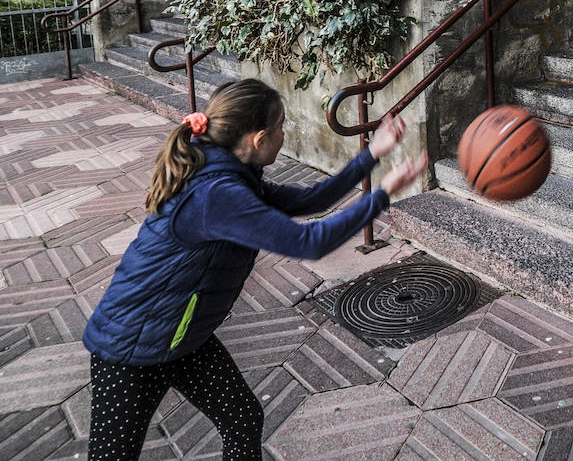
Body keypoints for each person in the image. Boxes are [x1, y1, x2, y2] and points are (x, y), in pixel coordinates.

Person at [81, 78, 427, 461]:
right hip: (130, 343)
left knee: (242, 419)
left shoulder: (230, 172)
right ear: (258, 139)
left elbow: (311, 199)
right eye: (281, 127)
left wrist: (372, 154)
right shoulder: (218, 194)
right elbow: (308, 243)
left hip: (180, 334)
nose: (285, 133)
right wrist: (380, 195)